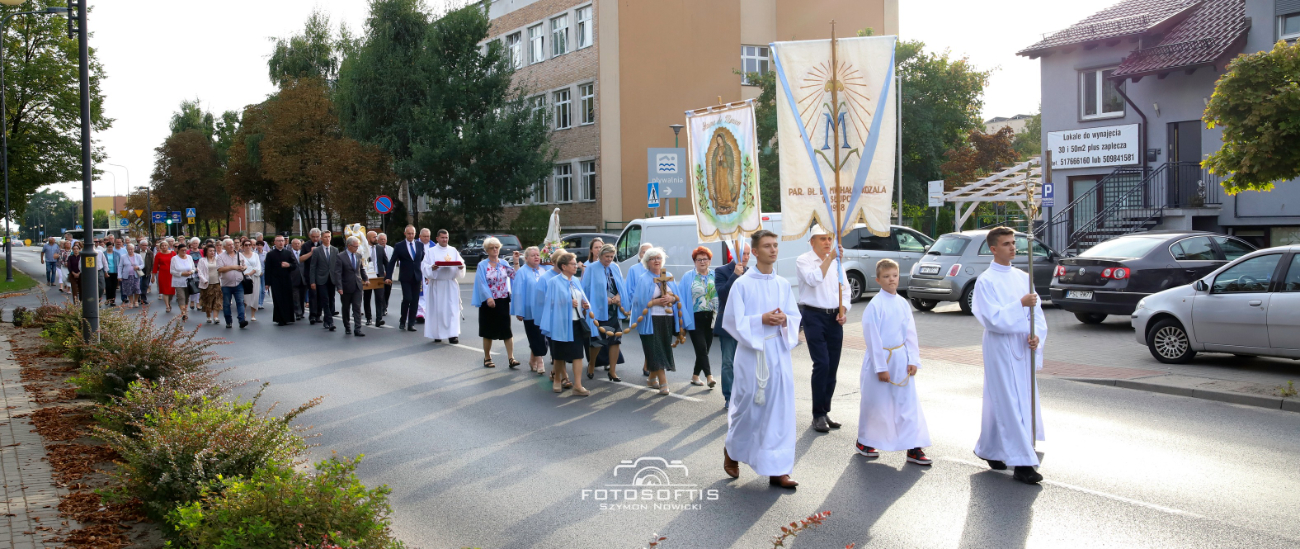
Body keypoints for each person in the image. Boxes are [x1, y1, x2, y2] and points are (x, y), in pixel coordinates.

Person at [721, 230, 802, 489]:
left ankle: (777, 469)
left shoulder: (783, 284)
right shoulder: (742, 284)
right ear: (755, 252)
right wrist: (761, 320)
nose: (773, 250)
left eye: (776, 245)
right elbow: (733, 321)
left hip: (777, 350)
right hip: (752, 354)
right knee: (750, 407)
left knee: (779, 410)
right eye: (767, 246)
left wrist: (785, 320)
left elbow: (794, 315)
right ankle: (733, 451)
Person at [972, 227, 1048, 485]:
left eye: (1014, 243)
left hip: (1022, 344)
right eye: (1006, 244)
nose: (1013, 248)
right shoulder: (986, 280)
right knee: (1008, 399)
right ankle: (1022, 463)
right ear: (993, 249)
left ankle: (990, 448)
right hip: (1000, 345)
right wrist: (1020, 305)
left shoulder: (1023, 277)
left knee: (1011, 399)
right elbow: (991, 318)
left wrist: (1036, 335)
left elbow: (1037, 316)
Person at [856, 259, 931, 465]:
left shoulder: (902, 303)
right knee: (877, 404)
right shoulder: (875, 305)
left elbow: (910, 334)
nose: (891, 280)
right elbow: (872, 338)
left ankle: (914, 447)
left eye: (895, 276)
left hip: (900, 359)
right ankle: (865, 440)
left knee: (907, 403)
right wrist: (881, 367)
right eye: (887, 277)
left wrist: (913, 359)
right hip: (881, 360)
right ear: (878, 279)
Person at [796, 226, 852, 434]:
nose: (827, 243)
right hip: (813, 315)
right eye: (822, 239)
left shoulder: (837, 263)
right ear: (812, 242)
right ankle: (817, 414)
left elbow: (845, 291)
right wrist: (830, 259)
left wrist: (843, 309)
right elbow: (813, 280)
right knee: (822, 363)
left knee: (833, 366)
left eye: (829, 239)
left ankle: (825, 410)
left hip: (833, 317)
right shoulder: (804, 260)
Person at [538, 251, 597, 396]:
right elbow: (550, 304)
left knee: (578, 355)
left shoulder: (575, 280)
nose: (576, 266)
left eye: (576, 263)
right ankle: (557, 379)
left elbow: (582, 295)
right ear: (564, 266)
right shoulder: (554, 282)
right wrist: (567, 302)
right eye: (573, 263)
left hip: (576, 322)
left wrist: (585, 304)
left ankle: (577, 385)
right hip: (561, 323)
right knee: (559, 355)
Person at [630, 247, 681, 396]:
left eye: (658, 258)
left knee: (662, 348)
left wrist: (671, 298)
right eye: (652, 258)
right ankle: (663, 382)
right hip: (650, 319)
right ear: (647, 262)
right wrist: (656, 301)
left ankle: (652, 379)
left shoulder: (668, 275)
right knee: (656, 349)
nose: (656, 261)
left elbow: (676, 296)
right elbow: (639, 302)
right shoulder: (644, 278)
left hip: (666, 318)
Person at [581, 244, 626, 382]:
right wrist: (599, 300)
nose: (609, 259)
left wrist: (619, 296)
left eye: (612, 257)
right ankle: (592, 364)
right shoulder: (591, 268)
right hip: (598, 310)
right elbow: (585, 289)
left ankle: (612, 371)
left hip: (613, 310)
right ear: (600, 255)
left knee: (615, 340)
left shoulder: (615, 267)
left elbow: (620, 285)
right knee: (598, 341)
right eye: (607, 256)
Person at [471, 237, 518, 367]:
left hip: (502, 300)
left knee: (506, 330)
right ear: (487, 250)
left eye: (497, 247)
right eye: (492, 248)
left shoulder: (503, 263)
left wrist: (515, 262)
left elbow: (516, 276)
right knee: (488, 330)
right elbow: (481, 282)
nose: (495, 249)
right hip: (489, 302)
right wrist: (488, 297)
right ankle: (487, 357)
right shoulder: (482, 265)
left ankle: (511, 358)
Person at [714, 242, 750, 408]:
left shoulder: (752, 273)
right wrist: (734, 275)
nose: (746, 257)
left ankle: (744, 394)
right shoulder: (721, 271)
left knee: (746, 362)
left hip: (747, 324)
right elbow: (723, 295)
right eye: (743, 254)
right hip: (728, 324)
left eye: (748, 254)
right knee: (728, 361)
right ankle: (729, 397)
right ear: (734, 254)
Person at [679, 246, 718, 389]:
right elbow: (681, 299)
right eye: (699, 259)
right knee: (701, 348)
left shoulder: (715, 275)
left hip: (712, 316)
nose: (702, 262)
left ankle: (695, 375)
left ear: (710, 260)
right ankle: (709, 377)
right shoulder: (688, 277)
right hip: (694, 317)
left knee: (705, 349)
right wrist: (682, 320)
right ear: (694, 261)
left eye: (705, 259)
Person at [421, 229, 465, 343]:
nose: (445, 240)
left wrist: (461, 267)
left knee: (452, 310)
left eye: (446, 237)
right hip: (437, 284)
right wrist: (432, 268)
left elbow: (461, 263)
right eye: (442, 237)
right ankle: (438, 334)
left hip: (450, 284)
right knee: (438, 311)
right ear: (437, 238)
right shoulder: (431, 251)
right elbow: (424, 266)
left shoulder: (453, 250)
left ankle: (453, 334)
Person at [511, 246, 548, 374]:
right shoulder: (522, 272)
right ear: (526, 258)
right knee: (535, 335)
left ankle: (533, 359)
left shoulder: (544, 271)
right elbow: (518, 293)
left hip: (543, 310)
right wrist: (519, 311)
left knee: (542, 336)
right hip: (529, 310)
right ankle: (540, 361)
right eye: (533, 255)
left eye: (538, 255)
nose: (536, 257)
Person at [623, 242, 653, 377]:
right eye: (643, 252)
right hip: (640, 309)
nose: (645, 254)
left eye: (649, 252)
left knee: (654, 338)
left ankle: (648, 364)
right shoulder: (634, 269)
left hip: (655, 310)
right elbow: (629, 290)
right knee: (646, 338)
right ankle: (649, 363)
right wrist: (629, 308)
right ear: (639, 255)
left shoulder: (657, 268)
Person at [386, 225, 424, 332]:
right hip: (405, 277)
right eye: (409, 233)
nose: (411, 235)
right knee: (407, 298)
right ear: (405, 234)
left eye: (412, 233)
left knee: (415, 301)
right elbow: (392, 261)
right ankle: (403, 320)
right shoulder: (399, 246)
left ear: (415, 234)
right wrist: (388, 276)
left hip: (417, 277)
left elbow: (422, 259)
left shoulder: (420, 245)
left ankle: (411, 323)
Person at [332, 236, 369, 336]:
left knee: (357, 308)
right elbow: (338, 273)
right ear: (349, 246)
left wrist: (366, 279)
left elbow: (361, 269)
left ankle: (358, 329)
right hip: (346, 286)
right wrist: (339, 287)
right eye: (355, 246)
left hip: (357, 286)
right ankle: (347, 326)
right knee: (346, 308)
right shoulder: (340, 256)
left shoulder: (358, 255)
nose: (357, 248)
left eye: (357, 246)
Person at [265, 235, 299, 326]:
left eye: (282, 241)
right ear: (275, 242)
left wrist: (289, 265)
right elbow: (268, 269)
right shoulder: (270, 254)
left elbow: (295, 265)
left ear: (284, 242)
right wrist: (267, 283)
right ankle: (280, 319)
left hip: (287, 279)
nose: (281, 243)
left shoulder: (288, 253)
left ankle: (288, 318)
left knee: (288, 299)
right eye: (279, 241)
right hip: (275, 280)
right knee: (278, 299)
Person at [216, 238, 249, 329]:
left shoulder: (239, 255)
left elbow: (244, 265)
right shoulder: (221, 257)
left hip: (238, 283)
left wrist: (243, 267)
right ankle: (228, 321)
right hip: (226, 285)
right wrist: (233, 267)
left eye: (232, 244)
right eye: (229, 245)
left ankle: (241, 320)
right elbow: (220, 269)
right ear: (225, 247)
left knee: (240, 302)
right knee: (226, 304)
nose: (231, 246)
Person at [309, 230, 339, 331]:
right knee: (325, 300)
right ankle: (330, 322)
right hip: (321, 279)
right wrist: (312, 281)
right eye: (325, 237)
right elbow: (313, 267)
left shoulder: (335, 250)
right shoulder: (317, 251)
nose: (327, 238)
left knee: (331, 300)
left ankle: (326, 320)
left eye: (329, 236)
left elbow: (337, 266)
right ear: (322, 238)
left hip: (332, 279)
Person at [364, 231, 393, 327]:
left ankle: (379, 319)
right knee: (367, 298)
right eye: (374, 237)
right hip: (367, 276)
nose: (376, 239)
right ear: (368, 238)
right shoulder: (364, 248)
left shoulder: (380, 248)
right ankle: (368, 318)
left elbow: (386, 262)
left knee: (380, 297)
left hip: (379, 276)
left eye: (376, 237)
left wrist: (388, 276)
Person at [300, 228, 324, 322]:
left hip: (322, 274)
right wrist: (311, 252)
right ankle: (312, 316)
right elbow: (301, 259)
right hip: (310, 274)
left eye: (317, 237)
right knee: (313, 295)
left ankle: (319, 315)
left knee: (321, 295)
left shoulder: (322, 244)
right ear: (310, 236)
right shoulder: (306, 245)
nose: (315, 239)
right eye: (313, 237)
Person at [170, 244, 197, 322]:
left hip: (188, 281)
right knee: (181, 296)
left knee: (186, 297)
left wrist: (191, 272)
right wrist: (182, 273)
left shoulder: (189, 257)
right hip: (178, 281)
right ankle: (183, 313)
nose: (184, 251)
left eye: (185, 250)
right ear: (178, 250)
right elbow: (172, 271)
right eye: (182, 250)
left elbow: (193, 268)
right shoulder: (174, 259)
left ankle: (185, 310)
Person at [198, 243, 223, 324]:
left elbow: (221, 269)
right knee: (207, 301)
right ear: (206, 252)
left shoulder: (218, 259)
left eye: (213, 251)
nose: (212, 252)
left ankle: (215, 317)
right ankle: (208, 316)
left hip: (217, 283)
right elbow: (200, 272)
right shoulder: (202, 260)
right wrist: (204, 280)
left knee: (217, 300)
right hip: (207, 284)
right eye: (210, 251)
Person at [240, 239, 263, 322]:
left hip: (254, 277)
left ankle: (253, 314)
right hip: (244, 278)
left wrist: (251, 273)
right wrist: (245, 273)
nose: (248, 246)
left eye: (249, 245)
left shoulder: (255, 255)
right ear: (242, 246)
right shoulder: (240, 255)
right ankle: (243, 312)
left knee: (255, 296)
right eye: (246, 245)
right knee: (245, 296)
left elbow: (258, 267)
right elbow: (239, 266)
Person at [153, 240, 177, 312]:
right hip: (162, 273)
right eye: (162, 246)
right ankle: (167, 306)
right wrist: (153, 276)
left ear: (168, 246)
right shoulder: (158, 255)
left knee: (171, 291)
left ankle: (169, 302)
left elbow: (177, 263)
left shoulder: (173, 253)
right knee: (165, 291)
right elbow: (155, 266)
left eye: (165, 245)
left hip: (172, 273)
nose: (164, 247)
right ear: (160, 247)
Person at [119, 243, 145, 308]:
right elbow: (120, 266)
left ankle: (136, 301)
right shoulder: (123, 257)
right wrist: (119, 276)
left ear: (134, 249)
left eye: (132, 249)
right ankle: (131, 301)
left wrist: (138, 267)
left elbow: (142, 264)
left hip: (136, 275)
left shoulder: (138, 256)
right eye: (129, 249)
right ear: (127, 249)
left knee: (137, 288)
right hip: (127, 276)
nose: (130, 250)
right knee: (128, 289)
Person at [290, 238, 308, 320]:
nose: (297, 245)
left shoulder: (303, 253)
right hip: (293, 278)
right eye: (295, 244)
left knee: (302, 297)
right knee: (295, 297)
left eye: (298, 243)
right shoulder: (289, 253)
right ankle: (298, 312)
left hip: (303, 278)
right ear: (292, 245)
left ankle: (302, 312)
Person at [103, 240, 119, 306]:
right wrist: (104, 271)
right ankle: (108, 299)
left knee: (113, 287)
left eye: (111, 247)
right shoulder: (104, 254)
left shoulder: (116, 254)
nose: (110, 248)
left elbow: (119, 262)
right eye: (109, 247)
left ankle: (112, 300)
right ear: (107, 247)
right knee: (108, 286)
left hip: (115, 272)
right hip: (107, 272)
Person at [139, 239, 154, 306]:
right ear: (140, 245)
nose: (145, 247)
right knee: (138, 284)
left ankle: (143, 298)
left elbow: (152, 262)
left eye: (146, 245)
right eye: (143, 245)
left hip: (146, 270)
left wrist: (151, 270)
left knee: (145, 284)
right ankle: (137, 297)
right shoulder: (136, 252)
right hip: (138, 269)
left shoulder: (149, 252)